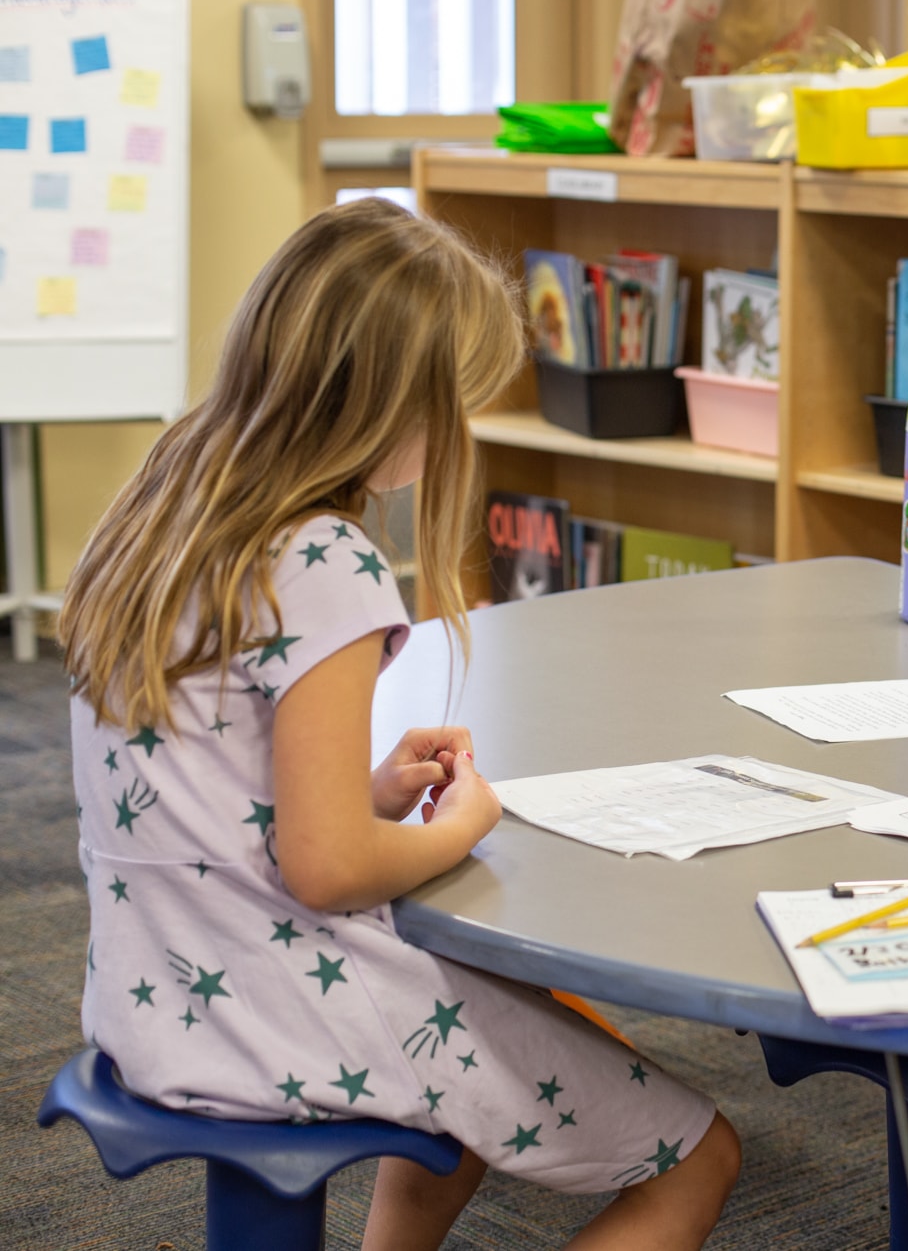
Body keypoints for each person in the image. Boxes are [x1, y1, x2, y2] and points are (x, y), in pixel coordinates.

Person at [59, 200, 740, 1250]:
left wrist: (362, 792)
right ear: (391, 407)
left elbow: (199, 780)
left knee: (474, 1091)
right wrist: (461, 823)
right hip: (274, 1011)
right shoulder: (323, 560)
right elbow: (328, 871)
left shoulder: (167, 501)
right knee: (699, 1158)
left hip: (156, 999)